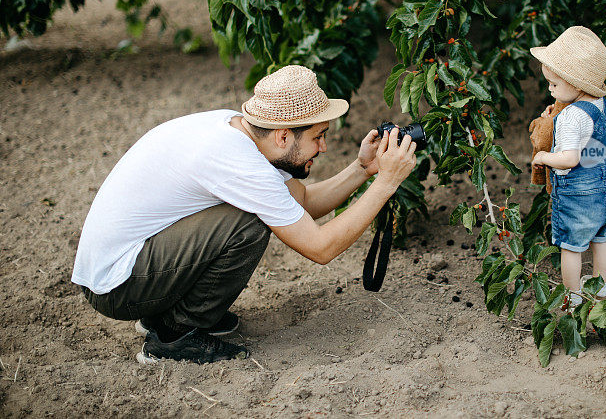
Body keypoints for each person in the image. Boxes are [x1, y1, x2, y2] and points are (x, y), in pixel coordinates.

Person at [71, 65, 418, 364]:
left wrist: (363, 168)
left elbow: (303, 203)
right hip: (115, 286)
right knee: (250, 220)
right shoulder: (242, 165)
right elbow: (321, 248)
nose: (324, 148)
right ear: (284, 136)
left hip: (125, 265)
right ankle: (172, 335)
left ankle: (168, 314)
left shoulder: (242, 131)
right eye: (319, 137)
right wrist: (387, 182)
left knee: (255, 211)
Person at [530, 26, 606, 310]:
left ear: (577, 84)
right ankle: (601, 289)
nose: (550, 89)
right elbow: (601, 145)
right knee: (602, 240)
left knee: (571, 247)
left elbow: (568, 158)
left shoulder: (570, 116)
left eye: (554, 84)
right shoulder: (602, 106)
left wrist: (543, 156)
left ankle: (573, 298)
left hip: (577, 192)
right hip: (604, 185)